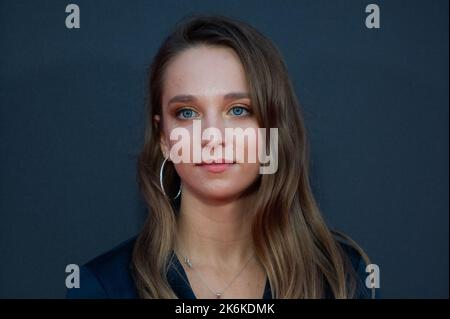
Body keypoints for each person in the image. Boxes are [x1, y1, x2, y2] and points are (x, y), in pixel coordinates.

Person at [67, 14, 377, 299]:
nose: (212, 135)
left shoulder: (341, 278)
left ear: (272, 129)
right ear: (163, 138)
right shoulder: (104, 287)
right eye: (187, 113)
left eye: (238, 110)